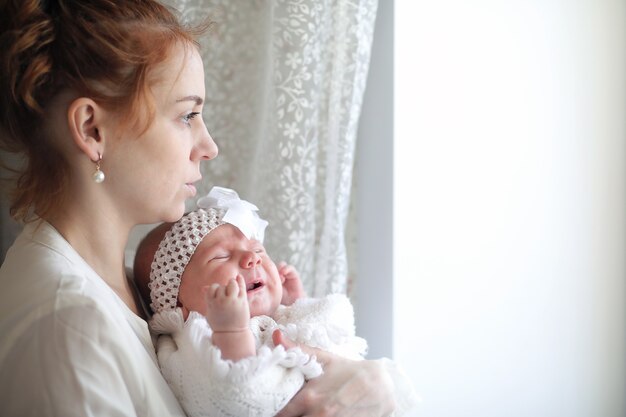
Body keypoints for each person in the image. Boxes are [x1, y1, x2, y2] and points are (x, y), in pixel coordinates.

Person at [0, 1, 401, 416]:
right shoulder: (67, 330)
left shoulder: (120, 286)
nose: (209, 148)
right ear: (91, 129)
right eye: (187, 115)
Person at [134, 186, 419, 417]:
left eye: (257, 249)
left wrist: (299, 304)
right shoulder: (191, 343)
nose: (252, 258)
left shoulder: (274, 318)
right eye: (221, 256)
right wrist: (231, 332)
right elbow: (232, 396)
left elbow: (330, 340)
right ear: (177, 305)